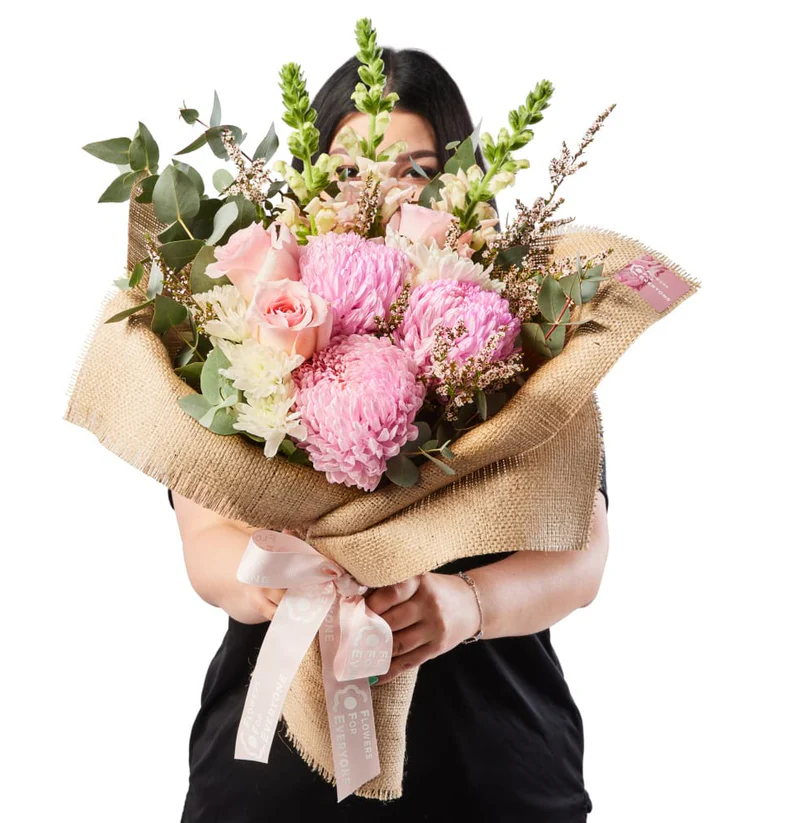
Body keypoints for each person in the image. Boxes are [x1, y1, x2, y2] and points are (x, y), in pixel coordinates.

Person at [173, 47, 611, 823]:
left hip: (491, 777)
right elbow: (206, 539)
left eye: (418, 169)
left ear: (462, 186)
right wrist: (271, 582)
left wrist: (465, 605)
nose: (381, 189)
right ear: (307, 183)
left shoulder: (520, 345)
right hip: (274, 788)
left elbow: (580, 553)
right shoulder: (241, 336)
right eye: (347, 169)